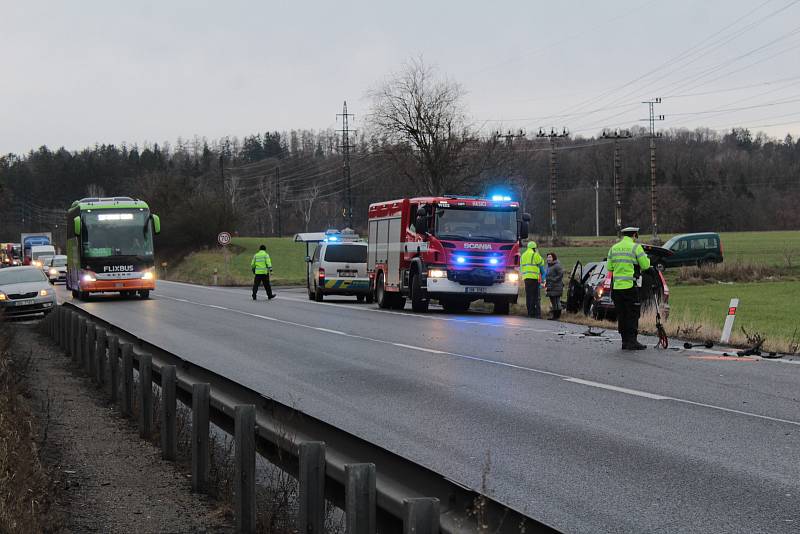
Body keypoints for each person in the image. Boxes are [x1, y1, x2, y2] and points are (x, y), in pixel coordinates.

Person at [607, 227, 651, 350]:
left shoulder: (613, 248)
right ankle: (632, 341)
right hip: (630, 287)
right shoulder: (635, 247)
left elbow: (609, 268)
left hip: (616, 288)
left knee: (622, 315)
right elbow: (645, 265)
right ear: (635, 235)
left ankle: (624, 341)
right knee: (632, 314)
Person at [520, 241, 545, 318]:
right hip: (534, 278)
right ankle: (537, 314)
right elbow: (541, 262)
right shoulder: (534, 254)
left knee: (528, 296)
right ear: (534, 248)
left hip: (526, 278)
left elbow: (521, 267)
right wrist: (538, 253)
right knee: (535, 296)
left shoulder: (523, 255)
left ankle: (530, 313)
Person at [544, 252, 564, 320]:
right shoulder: (548, 266)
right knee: (553, 301)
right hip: (550, 286)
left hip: (556, 286)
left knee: (556, 301)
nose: (548, 259)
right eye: (548, 257)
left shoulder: (557, 266)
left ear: (553, 258)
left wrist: (553, 280)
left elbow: (560, 274)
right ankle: (554, 316)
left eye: (550, 257)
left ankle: (557, 316)